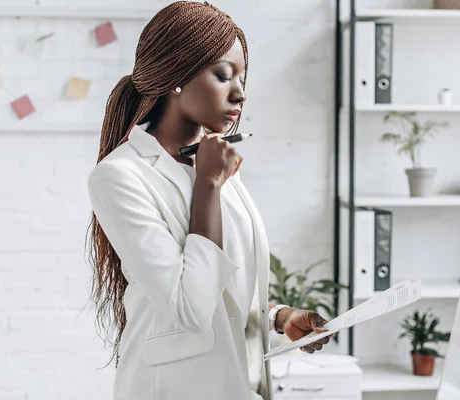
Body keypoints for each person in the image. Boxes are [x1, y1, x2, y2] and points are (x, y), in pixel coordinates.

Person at [85, 2, 334, 399]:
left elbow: (224, 288)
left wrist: (278, 318)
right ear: (176, 76)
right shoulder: (120, 177)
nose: (240, 93)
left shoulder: (211, 160)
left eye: (242, 77)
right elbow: (190, 308)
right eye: (223, 75)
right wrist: (209, 184)